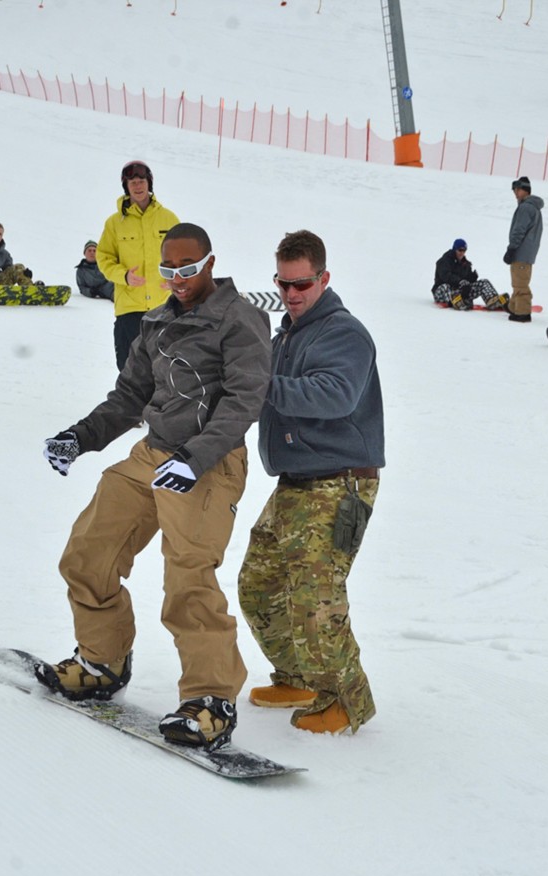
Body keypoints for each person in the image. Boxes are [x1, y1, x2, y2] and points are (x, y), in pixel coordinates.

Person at [39, 223, 272, 752]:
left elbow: (243, 401)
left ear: (209, 262)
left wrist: (195, 459)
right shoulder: (158, 321)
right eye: (169, 271)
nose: (178, 280)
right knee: (89, 551)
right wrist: (81, 436)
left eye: (188, 270)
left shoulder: (239, 319)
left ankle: (211, 701)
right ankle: (101, 661)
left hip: (209, 463)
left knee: (188, 578)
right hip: (153, 456)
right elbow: (129, 395)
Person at [238, 230, 384, 736]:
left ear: (324, 278)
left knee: (315, 597)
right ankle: (299, 678)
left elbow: (334, 396)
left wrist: (260, 383)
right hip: (295, 484)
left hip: (338, 484)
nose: (292, 293)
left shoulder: (344, 333)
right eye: (283, 283)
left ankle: (347, 699)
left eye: (302, 283)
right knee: (258, 586)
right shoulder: (287, 336)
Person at [97, 160, 179, 370]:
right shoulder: (114, 223)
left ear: (149, 183)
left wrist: (176, 280)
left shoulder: (168, 219)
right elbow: (104, 258)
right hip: (129, 310)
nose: (138, 186)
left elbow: (184, 256)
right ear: (126, 186)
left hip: (164, 308)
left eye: (141, 181)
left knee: (166, 370)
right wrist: (124, 276)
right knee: (129, 371)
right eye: (132, 182)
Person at [503, 176, 544, 323]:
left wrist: (512, 248)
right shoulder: (532, 207)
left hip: (522, 251)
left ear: (525, 190)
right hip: (526, 252)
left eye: (517, 189)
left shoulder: (526, 207)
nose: (515, 192)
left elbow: (519, 230)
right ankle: (514, 307)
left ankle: (522, 313)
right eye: (514, 189)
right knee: (518, 281)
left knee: (520, 283)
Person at [432, 239, 508, 311]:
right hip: (442, 291)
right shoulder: (444, 261)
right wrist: (460, 281)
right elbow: (445, 276)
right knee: (446, 287)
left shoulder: (466, 264)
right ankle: (456, 301)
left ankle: (492, 300)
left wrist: (471, 279)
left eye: (464, 250)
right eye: (460, 250)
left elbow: (466, 282)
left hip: (459, 292)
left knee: (484, 282)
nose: (462, 253)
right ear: (454, 249)